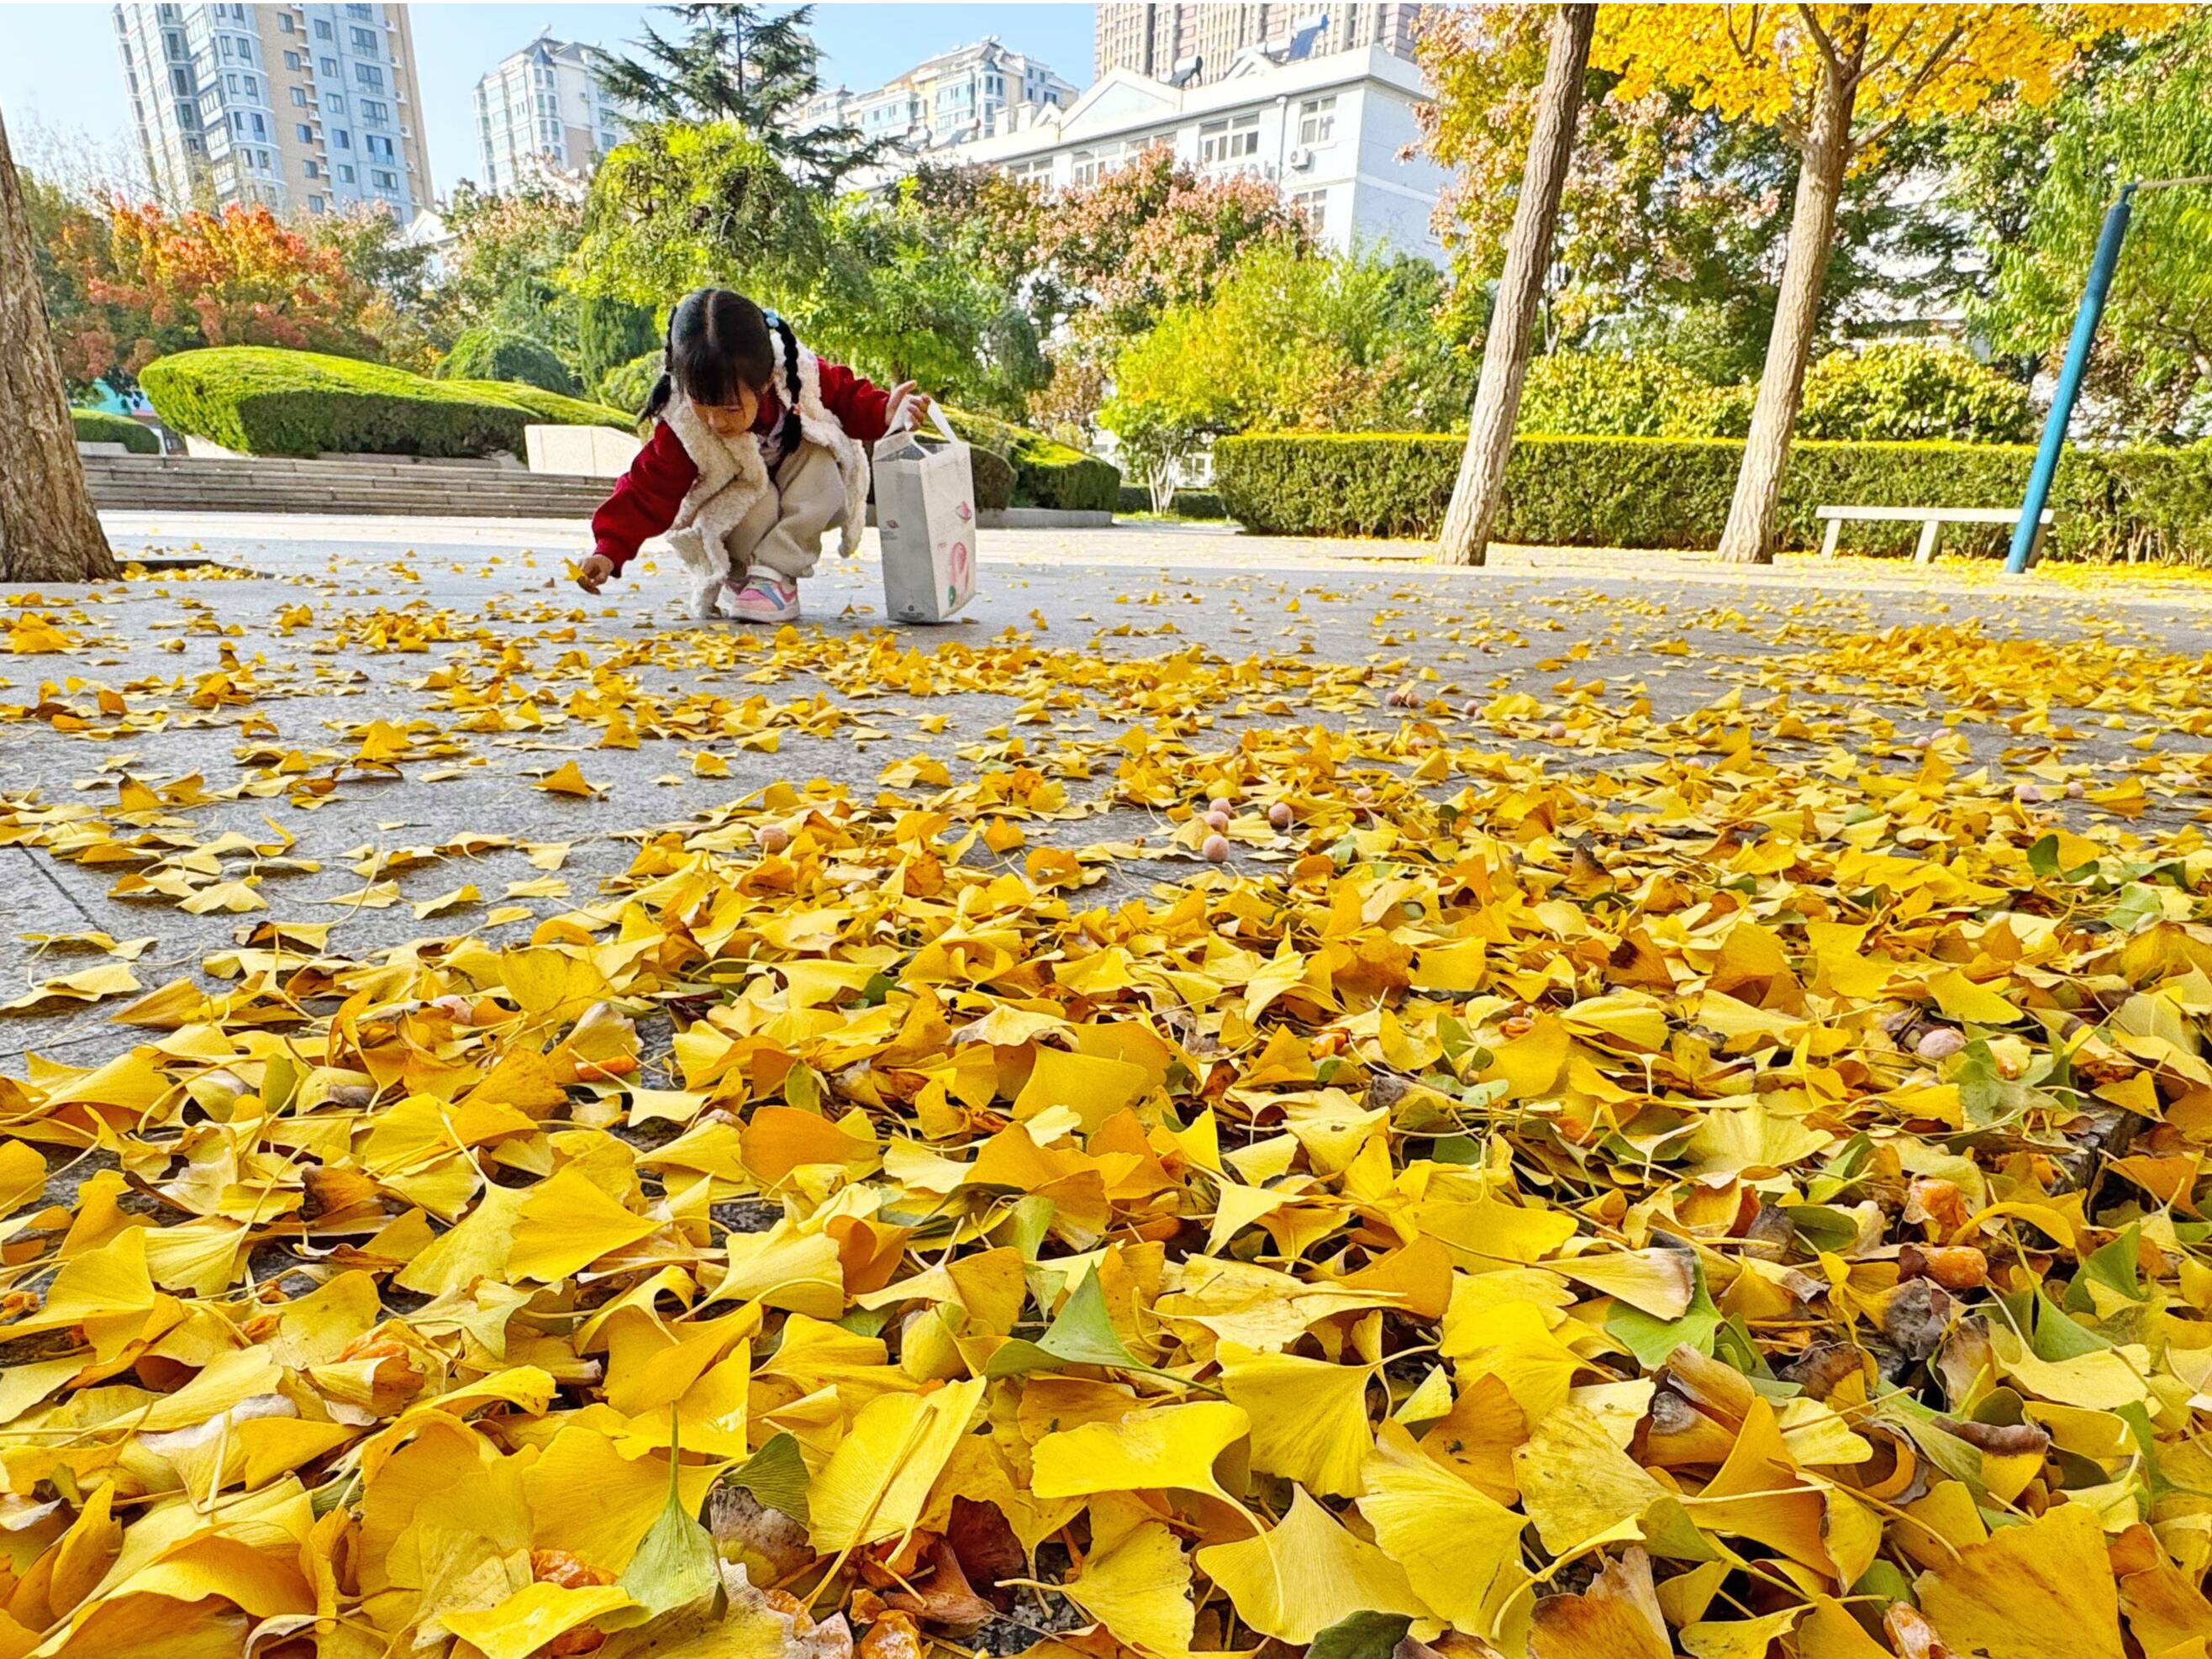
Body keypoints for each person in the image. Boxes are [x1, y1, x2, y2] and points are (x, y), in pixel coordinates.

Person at [577, 288, 929, 622]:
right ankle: (745, 573)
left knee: (818, 459)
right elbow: (647, 490)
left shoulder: (797, 375)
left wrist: (886, 412)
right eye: (703, 407)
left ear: (764, 381)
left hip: (805, 497)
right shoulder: (682, 425)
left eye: (730, 408)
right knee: (756, 501)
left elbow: (849, 398)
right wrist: (609, 548)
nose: (716, 422)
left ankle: (776, 574)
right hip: (741, 511)